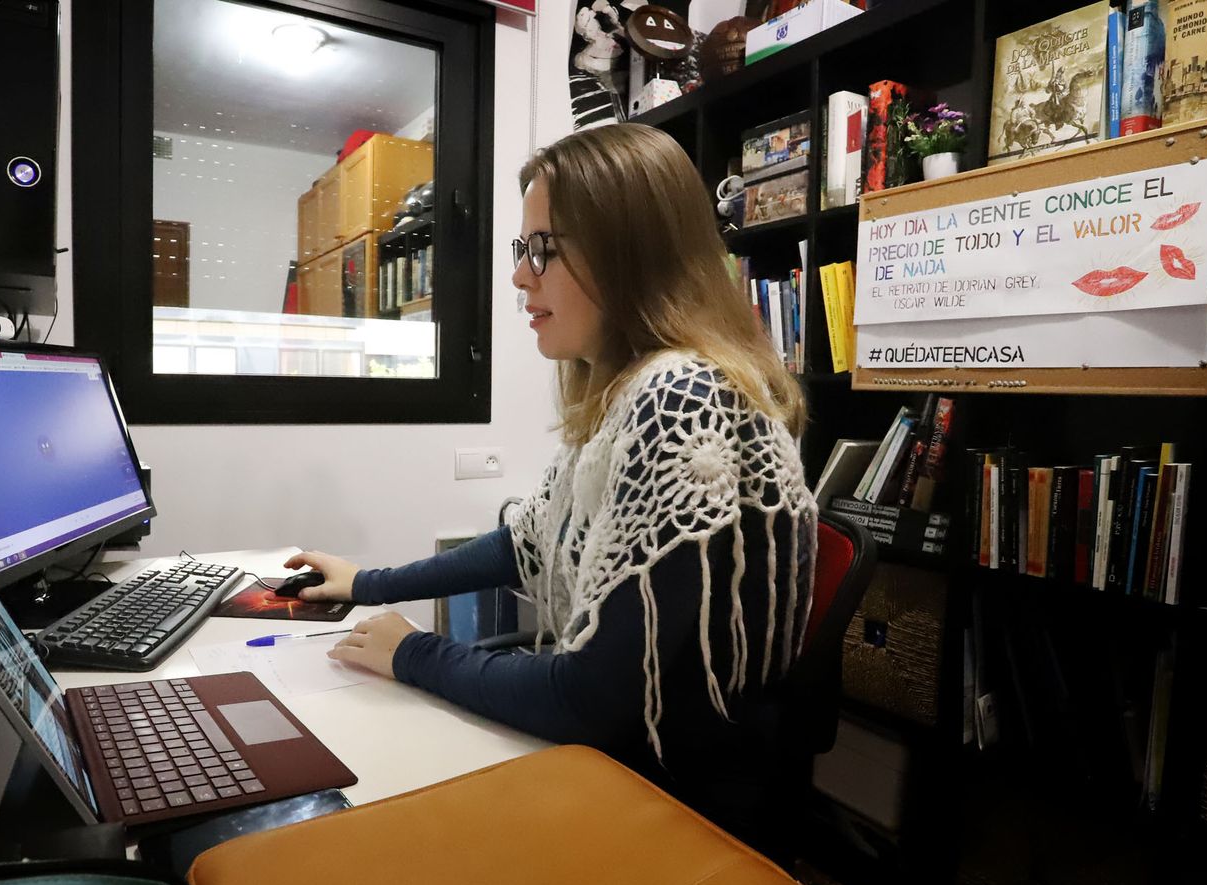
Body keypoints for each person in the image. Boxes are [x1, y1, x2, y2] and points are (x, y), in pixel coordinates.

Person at [284, 123, 817, 838]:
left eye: (544, 250)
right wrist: (367, 584)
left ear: (629, 255)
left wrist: (412, 652)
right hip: (623, 762)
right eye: (524, 248)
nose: (519, 275)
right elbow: (524, 543)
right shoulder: (627, 391)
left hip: (669, 796)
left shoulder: (680, 396)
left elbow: (590, 699)